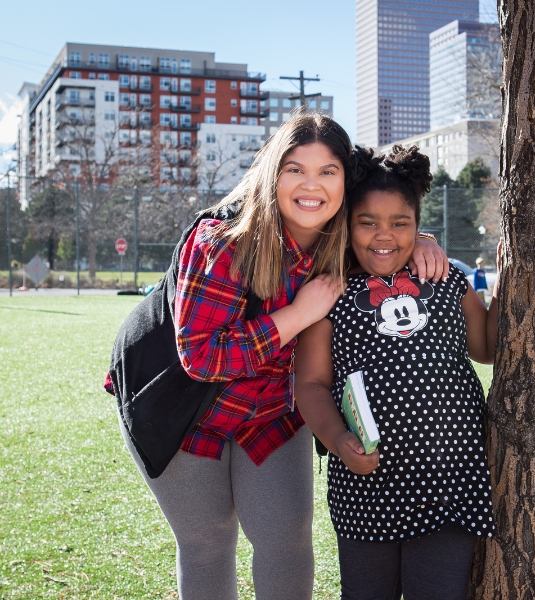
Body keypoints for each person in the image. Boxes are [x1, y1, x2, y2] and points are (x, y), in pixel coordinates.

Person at [105, 115, 449, 600]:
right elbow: (200, 357)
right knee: (207, 542)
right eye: (295, 169)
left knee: (286, 540)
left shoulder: (339, 241)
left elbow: (385, 236)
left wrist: (421, 242)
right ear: (272, 172)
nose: (312, 186)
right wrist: (296, 313)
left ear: (345, 184)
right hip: (183, 406)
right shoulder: (221, 243)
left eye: (328, 171)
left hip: (270, 407)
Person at [295, 145, 497, 600]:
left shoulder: (444, 279)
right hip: (366, 491)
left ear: (418, 225)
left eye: (400, 223)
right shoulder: (330, 292)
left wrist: (510, 275)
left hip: (450, 484)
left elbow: (486, 347)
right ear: (346, 224)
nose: (383, 235)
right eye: (367, 222)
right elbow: (310, 384)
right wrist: (336, 439)